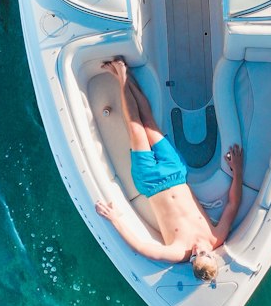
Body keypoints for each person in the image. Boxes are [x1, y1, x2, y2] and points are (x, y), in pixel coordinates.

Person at [95, 59, 244, 280]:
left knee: (135, 128)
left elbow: (140, 247)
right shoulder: (216, 237)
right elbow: (233, 204)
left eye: (194, 258)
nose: (195, 252)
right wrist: (237, 170)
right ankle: (124, 76)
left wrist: (115, 219)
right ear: (213, 256)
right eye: (203, 254)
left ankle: (121, 77)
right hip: (175, 174)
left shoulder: (178, 253)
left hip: (151, 182)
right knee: (149, 123)